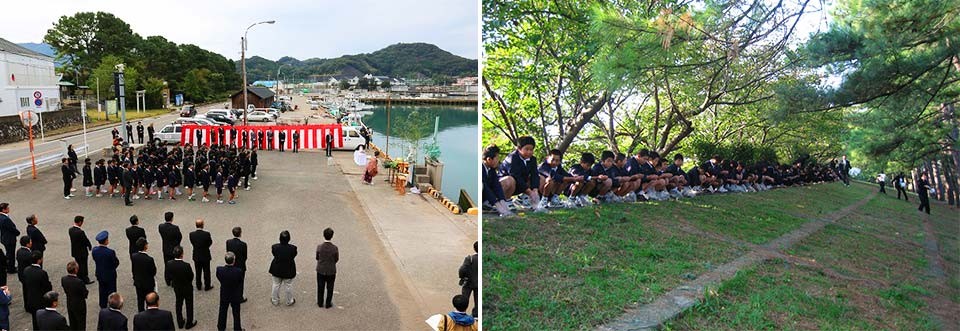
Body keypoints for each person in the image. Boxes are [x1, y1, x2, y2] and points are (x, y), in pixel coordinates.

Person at [499, 136, 545, 211]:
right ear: (519, 149)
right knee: (510, 180)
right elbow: (515, 176)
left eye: (531, 149)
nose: (529, 152)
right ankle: (506, 200)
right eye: (526, 149)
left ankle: (524, 199)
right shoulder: (512, 158)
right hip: (507, 185)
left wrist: (535, 190)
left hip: (522, 185)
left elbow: (534, 174)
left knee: (541, 178)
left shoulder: (532, 159)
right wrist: (530, 192)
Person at [164, 246, 197, 329]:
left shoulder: (169, 264)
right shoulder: (186, 265)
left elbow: (169, 275)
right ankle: (189, 322)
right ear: (182, 254)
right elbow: (191, 276)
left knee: (178, 303)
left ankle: (180, 322)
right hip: (187, 287)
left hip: (177, 287)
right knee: (189, 304)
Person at [481, 145, 514, 216]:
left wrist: (502, 201)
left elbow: (497, 185)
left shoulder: (491, 169)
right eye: (497, 158)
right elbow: (486, 188)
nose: (498, 160)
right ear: (489, 159)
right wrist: (497, 204)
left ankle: (488, 205)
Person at [23, 251, 52, 330]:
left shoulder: (26, 270)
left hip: (31, 299)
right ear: (39, 260)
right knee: (42, 321)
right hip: (40, 301)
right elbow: (47, 287)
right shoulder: (42, 273)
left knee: (34, 320)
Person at [268, 230, 297, 306]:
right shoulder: (293, 248)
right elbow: (293, 255)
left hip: (277, 269)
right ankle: (289, 301)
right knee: (288, 286)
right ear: (289, 239)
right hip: (289, 269)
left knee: (275, 285)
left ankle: (275, 300)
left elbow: (274, 254)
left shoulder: (274, 247)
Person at [92, 231, 119, 309]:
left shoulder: (95, 250)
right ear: (106, 241)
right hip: (110, 274)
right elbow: (115, 262)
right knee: (112, 290)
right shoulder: (110, 252)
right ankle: (113, 304)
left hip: (100, 273)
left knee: (102, 289)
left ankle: (102, 304)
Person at [216, 252, 243, 331]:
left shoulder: (219, 270)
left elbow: (219, 277)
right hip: (235, 294)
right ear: (234, 261)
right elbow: (240, 281)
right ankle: (237, 328)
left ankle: (221, 327)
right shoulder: (238, 271)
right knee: (236, 313)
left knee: (222, 311)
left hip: (224, 293)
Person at [131, 238, 156, 312]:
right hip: (148, 283)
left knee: (140, 299)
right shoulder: (149, 259)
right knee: (150, 300)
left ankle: (141, 313)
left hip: (138, 282)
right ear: (145, 246)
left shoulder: (134, 256)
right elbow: (153, 271)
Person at [61, 261, 88, 331]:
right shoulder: (79, 282)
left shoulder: (64, 279)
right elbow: (85, 293)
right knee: (81, 323)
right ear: (76, 270)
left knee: (72, 322)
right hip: (79, 305)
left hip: (69, 302)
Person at [315, 228, 338, 309]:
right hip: (331, 270)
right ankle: (328, 303)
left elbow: (317, 257)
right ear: (332, 236)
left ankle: (320, 302)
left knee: (320, 286)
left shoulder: (319, 247)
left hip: (321, 269)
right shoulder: (334, 248)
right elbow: (336, 259)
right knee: (330, 287)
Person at [69, 216, 94, 284]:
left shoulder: (70, 230)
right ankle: (85, 279)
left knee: (78, 264)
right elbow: (85, 240)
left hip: (75, 251)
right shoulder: (80, 232)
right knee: (84, 265)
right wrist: (89, 245)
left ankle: (79, 276)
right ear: (80, 222)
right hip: (82, 252)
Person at [189, 219, 213, 291]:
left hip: (196, 255)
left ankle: (198, 285)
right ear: (202, 225)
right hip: (205, 254)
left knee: (198, 271)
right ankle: (207, 286)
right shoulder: (206, 234)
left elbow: (192, 242)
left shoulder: (191, 234)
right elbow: (210, 242)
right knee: (206, 271)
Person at [224, 227, 247, 303]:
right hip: (240, 265)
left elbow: (228, 252)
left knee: (231, 281)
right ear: (240, 234)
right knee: (240, 282)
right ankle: (240, 297)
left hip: (231, 264)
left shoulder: (228, 242)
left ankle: (231, 295)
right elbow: (245, 256)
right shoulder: (243, 244)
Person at [458, 241, 478, 318]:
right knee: (478, 301)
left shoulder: (470, 258)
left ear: (474, 248)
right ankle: (476, 316)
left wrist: (462, 277)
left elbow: (462, 270)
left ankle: (462, 315)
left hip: (468, 283)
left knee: (464, 300)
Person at [0, 203, 17, 274]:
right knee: (11, 254)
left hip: (4, 237)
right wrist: (17, 233)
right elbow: (12, 228)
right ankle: (11, 268)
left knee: (8, 253)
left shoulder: (1, 217)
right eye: (7, 208)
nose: (9, 209)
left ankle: (8, 266)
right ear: (4, 210)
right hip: (9, 239)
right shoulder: (5, 219)